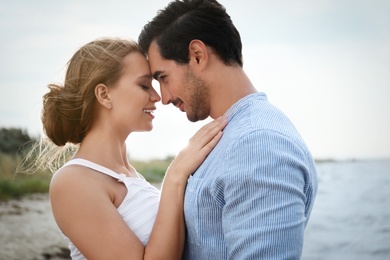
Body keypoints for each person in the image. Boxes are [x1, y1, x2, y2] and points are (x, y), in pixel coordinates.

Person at [138, 0, 318, 259]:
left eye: (163, 78)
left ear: (197, 55)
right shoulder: (234, 136)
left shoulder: (259, 146)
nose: (163, 97)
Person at [38, 37, 227, 259]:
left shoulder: (129, 174)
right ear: (104, 95)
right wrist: (175, 176)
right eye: (144, 85)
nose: (157, 97)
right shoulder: (73, 182)